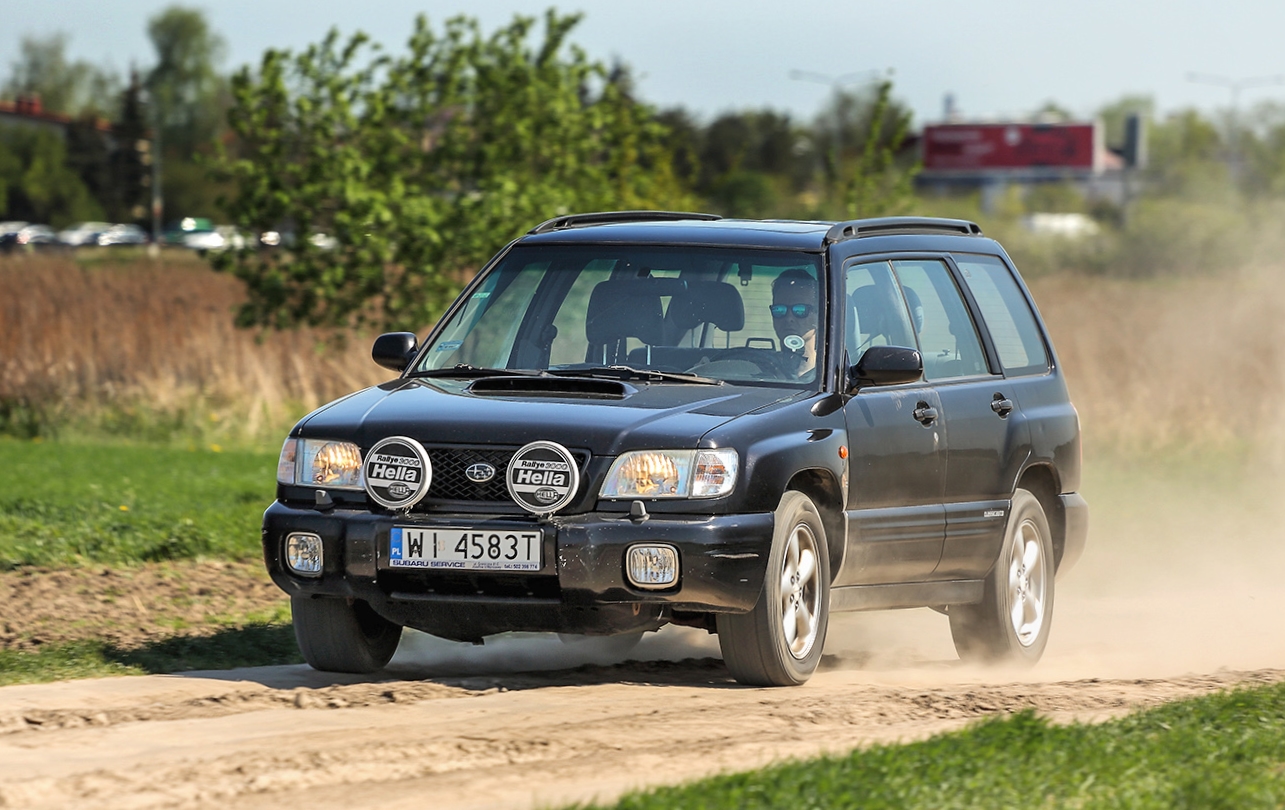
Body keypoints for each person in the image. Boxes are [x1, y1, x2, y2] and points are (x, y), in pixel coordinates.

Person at [770, 268, 820, 378]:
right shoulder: (758, 371)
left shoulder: (833, 374)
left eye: (800, 310)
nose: (788, 318)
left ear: (818, 315)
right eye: (779, 310)